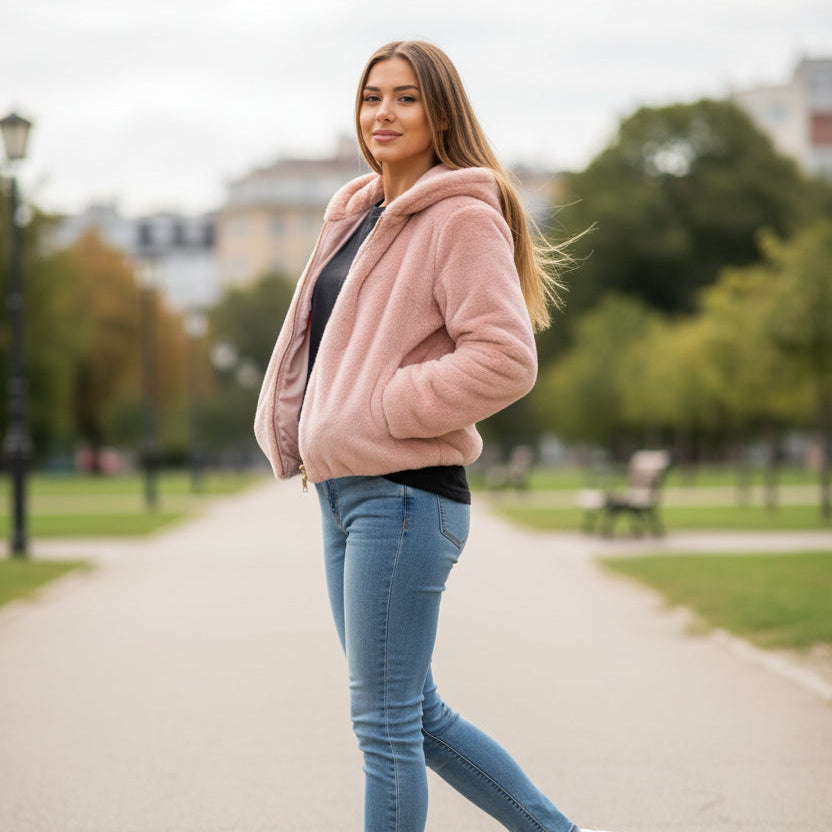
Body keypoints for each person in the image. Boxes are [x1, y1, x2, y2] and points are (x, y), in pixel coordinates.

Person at [255, 40, 610, 832]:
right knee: (414, 714)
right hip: (345, 494)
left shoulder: (460, 217)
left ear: (441, 113)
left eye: (406, 97)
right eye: (371, 96)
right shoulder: (356, 215)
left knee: (384, 725)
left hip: (405, 498)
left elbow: (505, 359)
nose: (383, 112)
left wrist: (384, 407)